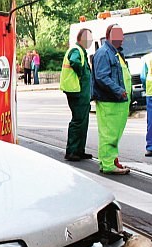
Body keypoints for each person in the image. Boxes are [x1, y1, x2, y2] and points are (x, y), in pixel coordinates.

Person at [92, 24, 131, 174]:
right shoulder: (104, 53)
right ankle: (109, 165)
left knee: (112, 133)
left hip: (117, 100)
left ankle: (109, 160)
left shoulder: (114, 52)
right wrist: (120, 91)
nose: (122, 38)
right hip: (111, 100)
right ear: (109, 36)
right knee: (110, 133)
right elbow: (102, 77)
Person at [60, 28, 93, 161]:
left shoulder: (81, 51)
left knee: (83, 121)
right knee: (78, 121)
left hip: (81, 92)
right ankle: (72, 151)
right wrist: (80, 74)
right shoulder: (76, 50)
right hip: (76, 91)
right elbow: (74, 62)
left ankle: (80, 150)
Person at [141, 51, 152, 157]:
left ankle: (151, 147)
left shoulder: (148, 57)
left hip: (151, 93)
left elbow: (143, 77)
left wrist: (146, 88)